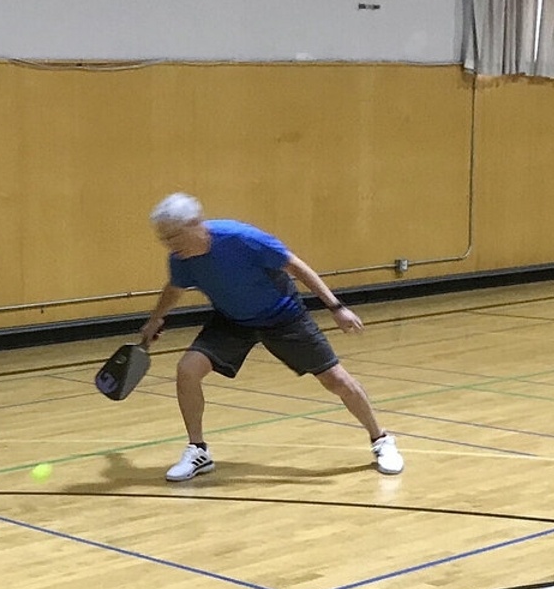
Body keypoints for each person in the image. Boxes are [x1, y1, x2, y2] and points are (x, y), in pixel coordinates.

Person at [140, 192, 403, 482]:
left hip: (283, 316)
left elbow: (296, 266)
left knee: (337, 380)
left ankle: (381, 440)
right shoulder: (181, 258)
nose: (170, 246)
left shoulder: (242, 238)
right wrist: (156, 318)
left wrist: (336, 308)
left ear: (195, 224)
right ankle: (198, 450)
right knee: (187, 370)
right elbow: (174, 289)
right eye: (164, 240)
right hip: (232, 320)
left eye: (174, 237)